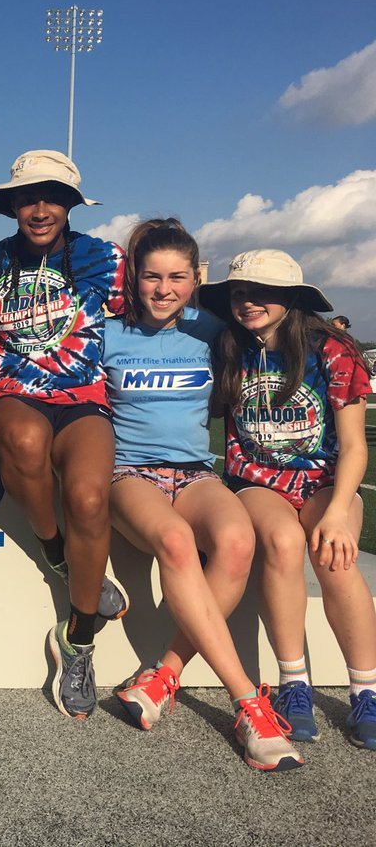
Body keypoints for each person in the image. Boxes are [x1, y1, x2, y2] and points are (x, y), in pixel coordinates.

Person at [104, 221, 302, 771]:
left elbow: (284, 335)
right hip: (130, 474)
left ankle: (163, 675)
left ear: (195, 279)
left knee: (238, 541)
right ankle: (248, 704)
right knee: (175, 541)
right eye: (151, 277)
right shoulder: (105, 331)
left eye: (177, 277)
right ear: (133, 278)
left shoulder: (213, 330)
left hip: (194, 473)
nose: (163, 289)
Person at [0, 149, 129, 719]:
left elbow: (163, 308)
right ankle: (56, 552)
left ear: (69, 204)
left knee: (90, 498)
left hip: (84, 394)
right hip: (13, 391)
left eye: (53, 197)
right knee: (27, 444)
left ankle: (78, 642)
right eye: (28, 198)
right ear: (12, 204)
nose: (40, 208)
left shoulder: (103, 257)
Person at [201, 249, 376, 751]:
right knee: (280, 541)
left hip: (324, 482)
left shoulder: (331, 350)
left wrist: (340, 511)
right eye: (239, 293)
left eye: (263, 292)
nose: (248, 302)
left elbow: (355, 445)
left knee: (335, 554)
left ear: (292, 299)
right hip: (257, 481)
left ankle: (365, 690)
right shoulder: (228, 346)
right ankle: (293, 684)